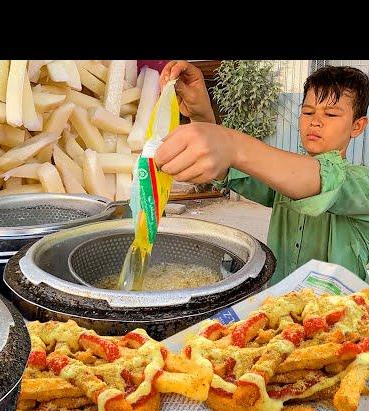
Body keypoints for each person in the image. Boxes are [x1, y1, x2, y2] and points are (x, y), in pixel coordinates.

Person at [157, 61, 369, 284]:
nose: (315, 121)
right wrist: (201, 115)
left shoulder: (361, 183)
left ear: (357, 126)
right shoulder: (281, 176)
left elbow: (318, 179)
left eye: (331, 115)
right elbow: (228, 168)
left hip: (340, 315)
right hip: (279, 308)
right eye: (307, 112)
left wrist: (232, 144)